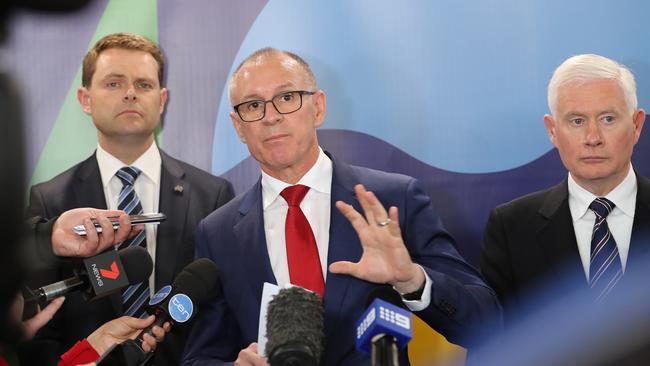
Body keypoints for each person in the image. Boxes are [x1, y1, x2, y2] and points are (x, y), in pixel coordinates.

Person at [182, 48, 500, 365]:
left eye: (287, 98)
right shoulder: (218, 232)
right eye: (253, 105)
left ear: (318, 107)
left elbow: (484, 321)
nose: (271, 116)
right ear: (238, 127)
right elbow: (200, 356)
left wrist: (412, 280)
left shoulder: (392, 199)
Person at [20, 33, 234, 365]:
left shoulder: (213, 194)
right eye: (114, 84)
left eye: (144, 85)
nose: (131, 93)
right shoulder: (50, 201)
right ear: (85, 98)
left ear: (162, 100)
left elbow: (222, 313)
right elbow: (40, 328)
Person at [480, 54, 650, 327]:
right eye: (577, 121)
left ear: (636, 125)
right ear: (552, 131)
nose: (593, 138)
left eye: (608, 119)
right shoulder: (511, 228)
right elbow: (494, 348)